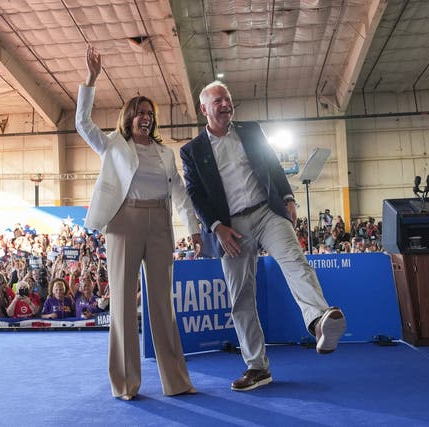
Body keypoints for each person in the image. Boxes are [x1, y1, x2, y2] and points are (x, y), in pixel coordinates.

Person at [180, 80, 347, 392]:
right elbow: (195, 194)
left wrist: (288, 198)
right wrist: (216, 227)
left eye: (227, 99)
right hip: (231, 227)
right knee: (241, 298)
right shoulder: (192, 151)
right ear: (204, 109)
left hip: (267, 212)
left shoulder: (251, 130)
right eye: (218, 101)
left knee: (295, 261)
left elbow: (271, 164)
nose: (225, 104)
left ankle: (320, 320)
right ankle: (257, 368)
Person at [76, 45, 202, 400]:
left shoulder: (166, 153)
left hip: (161, 224)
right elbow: (82, 124)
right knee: (122, 306)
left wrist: (192, 229)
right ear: (129, 117)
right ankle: (126, 383)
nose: (145, 117)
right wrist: (91, 79)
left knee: (163, 303)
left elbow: (179, 193)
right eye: (139, 112)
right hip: (123, 223)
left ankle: (176, 381)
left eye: (149, 113)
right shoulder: (113, 144)